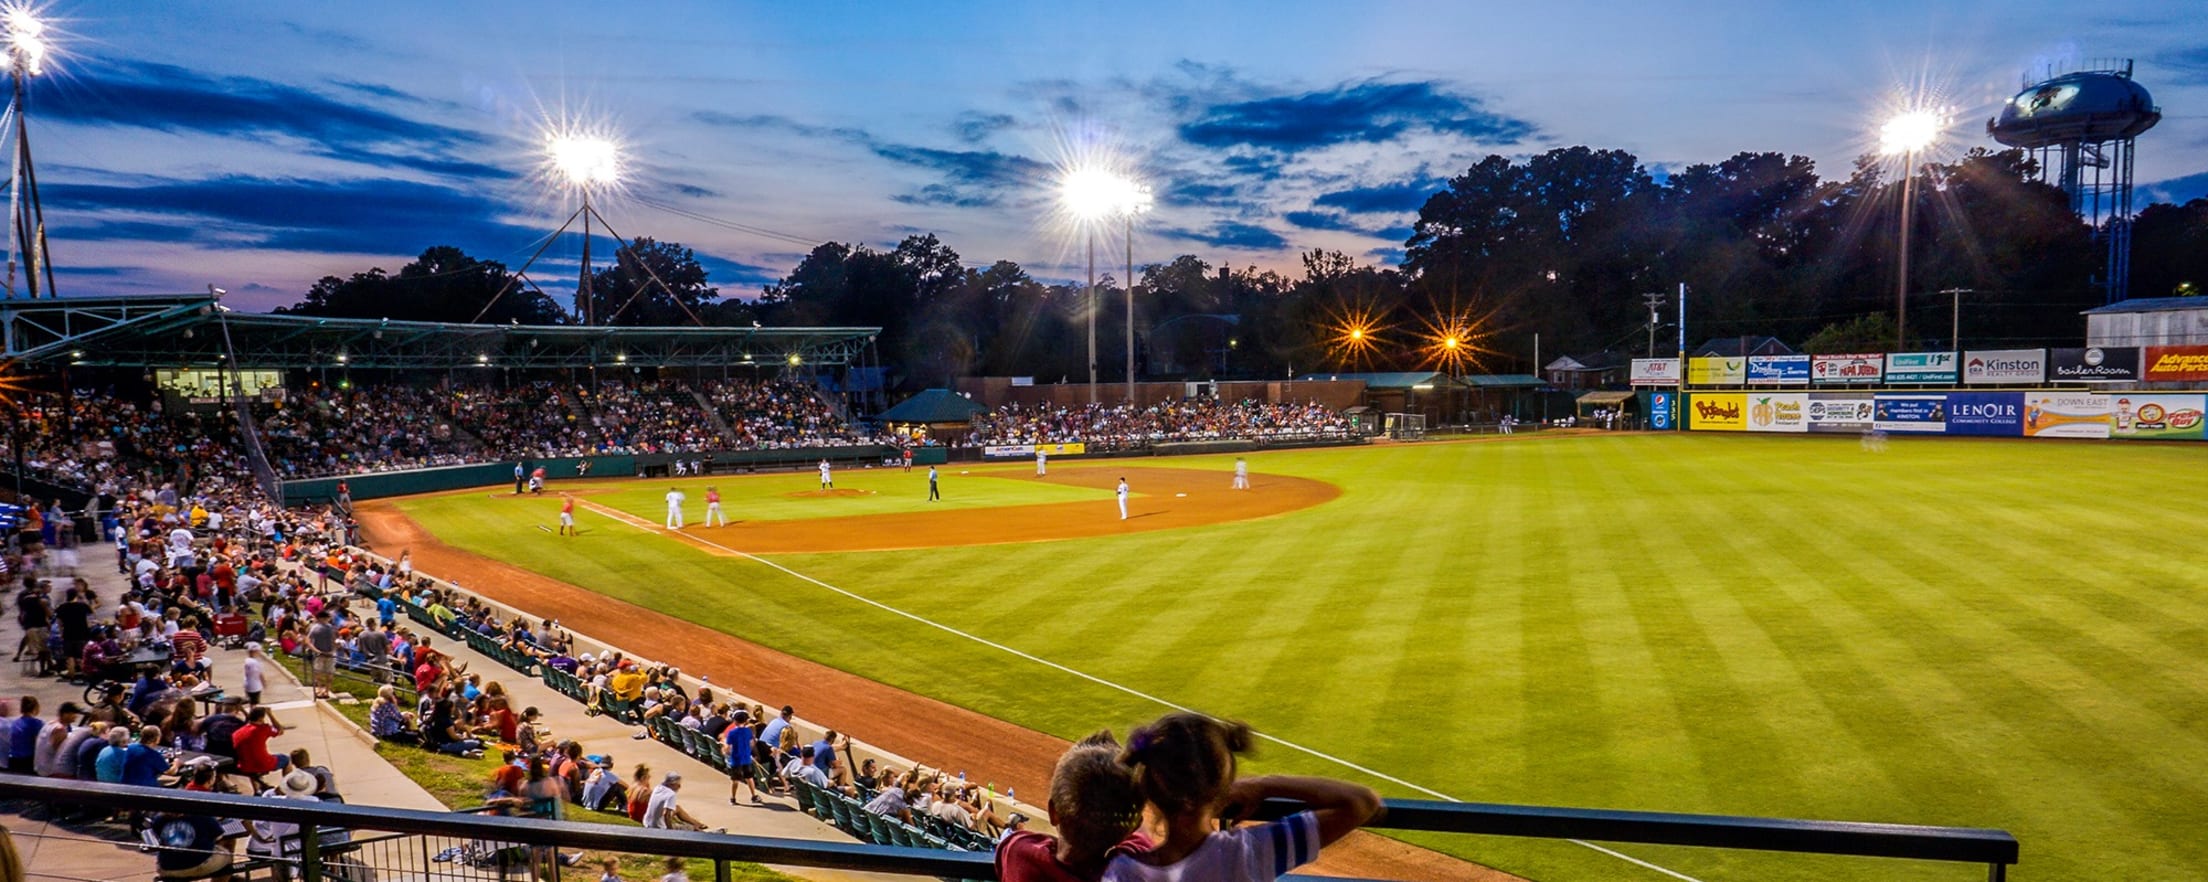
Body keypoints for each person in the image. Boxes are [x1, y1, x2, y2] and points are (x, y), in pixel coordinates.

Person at [1102, 713, 1379, 882]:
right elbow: (1361, 802)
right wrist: (1266, 784)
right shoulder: (1251, 853)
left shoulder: (1124, 873)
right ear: (1224, 787)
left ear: (1149, 789)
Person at [724, 709, 760, 805]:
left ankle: (733, 798)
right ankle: (753, 796)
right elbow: (752, 743)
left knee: (735, 780)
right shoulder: (748, 731)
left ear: (735, 721)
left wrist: (728, 753)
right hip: (746, 758)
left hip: (735, 759)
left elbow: (727, 748)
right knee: (749, 778)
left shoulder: (731, 733)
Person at [305, 610, 337, 699]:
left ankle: (325, 690)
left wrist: (333, 649)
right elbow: (308, 640)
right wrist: (316, 650)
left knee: (327, 673)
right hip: (322, 653)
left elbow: (333, 639)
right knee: (321, 672)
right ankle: (321, 689)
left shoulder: (329, 627)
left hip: (327, 653)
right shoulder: (316, 628)